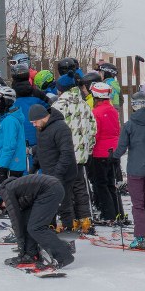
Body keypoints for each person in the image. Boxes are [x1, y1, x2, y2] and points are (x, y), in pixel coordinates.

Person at [113, 93, 145, 250]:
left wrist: (113, 156)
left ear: (134, 106)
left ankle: (141, 236)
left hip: (136, 168)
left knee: (138, 204)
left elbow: (121, 147)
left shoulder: (129, 125)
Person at [0, 174, 75, 271]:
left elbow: (17, 223)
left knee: (37, 228)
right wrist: (26, 253)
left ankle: (64, 256)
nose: (5, 207)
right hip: (53, 188)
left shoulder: (6, 192)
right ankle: (31, 255)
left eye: (2, 206)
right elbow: (24, 221)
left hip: (49, 190)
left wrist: (21, 248)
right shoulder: (16, 188)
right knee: (32, 226)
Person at [52, 73, 97, 234]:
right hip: (81, 155)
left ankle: (69, 219)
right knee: (80, 187)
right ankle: (85, 219)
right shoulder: (84, 104)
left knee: (65, 188)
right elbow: (93, 128)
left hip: (65, 154)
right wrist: (88, 148)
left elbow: (54, 130)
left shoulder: (59, 106)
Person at [87, 82, 121, 224]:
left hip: (100, 152)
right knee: (111, 184)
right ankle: (116, 212)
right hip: (113, 151)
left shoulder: (96, 113)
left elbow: (95, 133)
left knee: (101, 184)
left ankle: (108, 215)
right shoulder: (113, 110)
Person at [0, 86, 28, 185]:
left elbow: (9, 146)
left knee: (9, 196)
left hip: (10, 165)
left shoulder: (10, 120)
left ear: (7, 101)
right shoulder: (10, 117)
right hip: (14, 163)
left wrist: (3, 168)